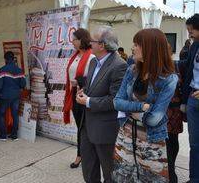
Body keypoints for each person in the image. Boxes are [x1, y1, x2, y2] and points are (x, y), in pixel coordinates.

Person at [113, 28, 178, 182]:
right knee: (122, 177)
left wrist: (129, 108)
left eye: (137, 44)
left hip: (151, 140)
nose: (132, 47)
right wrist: (141, 107)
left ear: (150, 47)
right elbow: (117, 102)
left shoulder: (169, 79)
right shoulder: (132, 70)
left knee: (150, 178)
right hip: (126, 134)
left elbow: (154, 119)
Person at [76, 26, 127, 183]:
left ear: (102, 45)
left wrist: (88, 101)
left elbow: (115, 100)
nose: (89, 43)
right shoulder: (93, 62)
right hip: (87, 126)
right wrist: (84, 91)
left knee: (109, 174)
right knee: (89, 172)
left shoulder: (119, 65)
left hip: (105, 129)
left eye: (92, 40)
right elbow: (95, 87)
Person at [63, 28, 95, 169]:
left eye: (74, 39)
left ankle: (81, 155)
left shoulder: (92, 57)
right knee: (80, 127)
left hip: (86, 96)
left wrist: (80, 81)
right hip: (74, 95)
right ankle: (82, 154)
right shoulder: (75, 55)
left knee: (85, 128)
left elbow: (94, 79)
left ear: (82, 40)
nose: (72, 41)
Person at [180, 14, 199, 183]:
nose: (189, 34)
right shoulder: (194, 46)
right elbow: (185, 65)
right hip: (193, 98)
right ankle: (194, 178)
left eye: (191, 30)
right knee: (194, 143)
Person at [0, 51, 26, 141]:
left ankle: (3, 135)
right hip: (16, 96)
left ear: (5, 59)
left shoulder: (2, 70)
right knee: (15, 114)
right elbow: (23, 84)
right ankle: (14, 135)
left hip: (5, 96)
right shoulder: (19, 70)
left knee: (1, 114)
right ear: (13, 59)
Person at [166, 58, 187, 183]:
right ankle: (170, 172)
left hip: (174, 111)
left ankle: (171, 171)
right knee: (167, 142)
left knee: (172, 140)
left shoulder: (176, 66)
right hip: (164, 110)